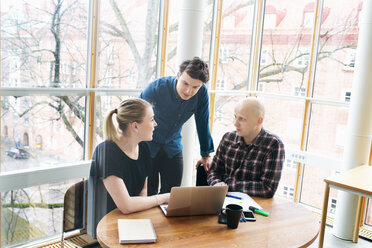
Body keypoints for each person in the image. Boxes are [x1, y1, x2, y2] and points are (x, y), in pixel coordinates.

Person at [140, 57, 214, 195]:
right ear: (178, 75)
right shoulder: (156, 88)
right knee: (148, 194)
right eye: (185, 83)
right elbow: (136, 116)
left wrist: (206, 154)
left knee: (172, 195)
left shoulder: (202, 94)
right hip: (147, 146)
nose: (188, 91)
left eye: (195, 87)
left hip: (172, 146)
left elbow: (202, 122)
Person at [89, 99, 169, 224]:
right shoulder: (106, 152)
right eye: (151, 119)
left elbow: (143, 190)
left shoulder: (144, 148)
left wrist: (140, 219)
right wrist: (164, 198)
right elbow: (126, 206)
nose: (155, 124)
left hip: (130, 220)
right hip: (105, 226)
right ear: (135, 126)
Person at [207, 98, 285, 198]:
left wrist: (228, 184)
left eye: (242, 119)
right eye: (235, 117)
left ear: (259, 120)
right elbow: (214, 171)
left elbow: (267, 188)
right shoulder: (228, 138)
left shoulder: (274, 145)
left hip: (253, 205)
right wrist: (216, 183)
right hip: (221, 199)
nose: (235, 123)